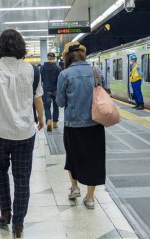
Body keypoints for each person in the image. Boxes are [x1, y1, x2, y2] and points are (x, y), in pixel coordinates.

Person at [0, 29, 44, 238]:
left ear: (1, 46)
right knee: (22, 178)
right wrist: (41, 118)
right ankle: (18, 224)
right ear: (21, 46)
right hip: (24, 132)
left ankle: (5, 212)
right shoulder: (32, 70)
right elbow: (38, 98)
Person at [56, 42, 107, 210]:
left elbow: (60, 102)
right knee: (94, 158)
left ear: (67, 57)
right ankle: (90, 198)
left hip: (73, 125)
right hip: (95, 123)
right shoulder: (96, 71)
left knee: (72, 156)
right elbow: (105, 94)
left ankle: (75, 187)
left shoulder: (65, 74)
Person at [40, 52, 62, 131]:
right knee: (56, 107)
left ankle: (49, 120)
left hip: (46, 90)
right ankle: (55, 123)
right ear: (54, 58)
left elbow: (41, 79)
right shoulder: (58, 68)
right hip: (56, 90)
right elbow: (60, 80)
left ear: (47, 57)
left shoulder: (42, 67)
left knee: (47, 107)